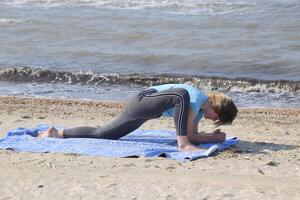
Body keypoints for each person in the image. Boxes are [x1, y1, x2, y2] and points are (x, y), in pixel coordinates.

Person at [38, 83, 238, 151]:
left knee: (104, 134)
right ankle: (181, 145)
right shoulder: (195, 97)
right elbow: (187, 135)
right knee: (180, 94)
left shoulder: (196, 112)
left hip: (145, 111)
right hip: (144, 99)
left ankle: (56, 133)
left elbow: (192, 135)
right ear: (216, 106)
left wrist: (212, 137)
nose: (213, 121)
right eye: (217, 117)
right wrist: (186, 141)